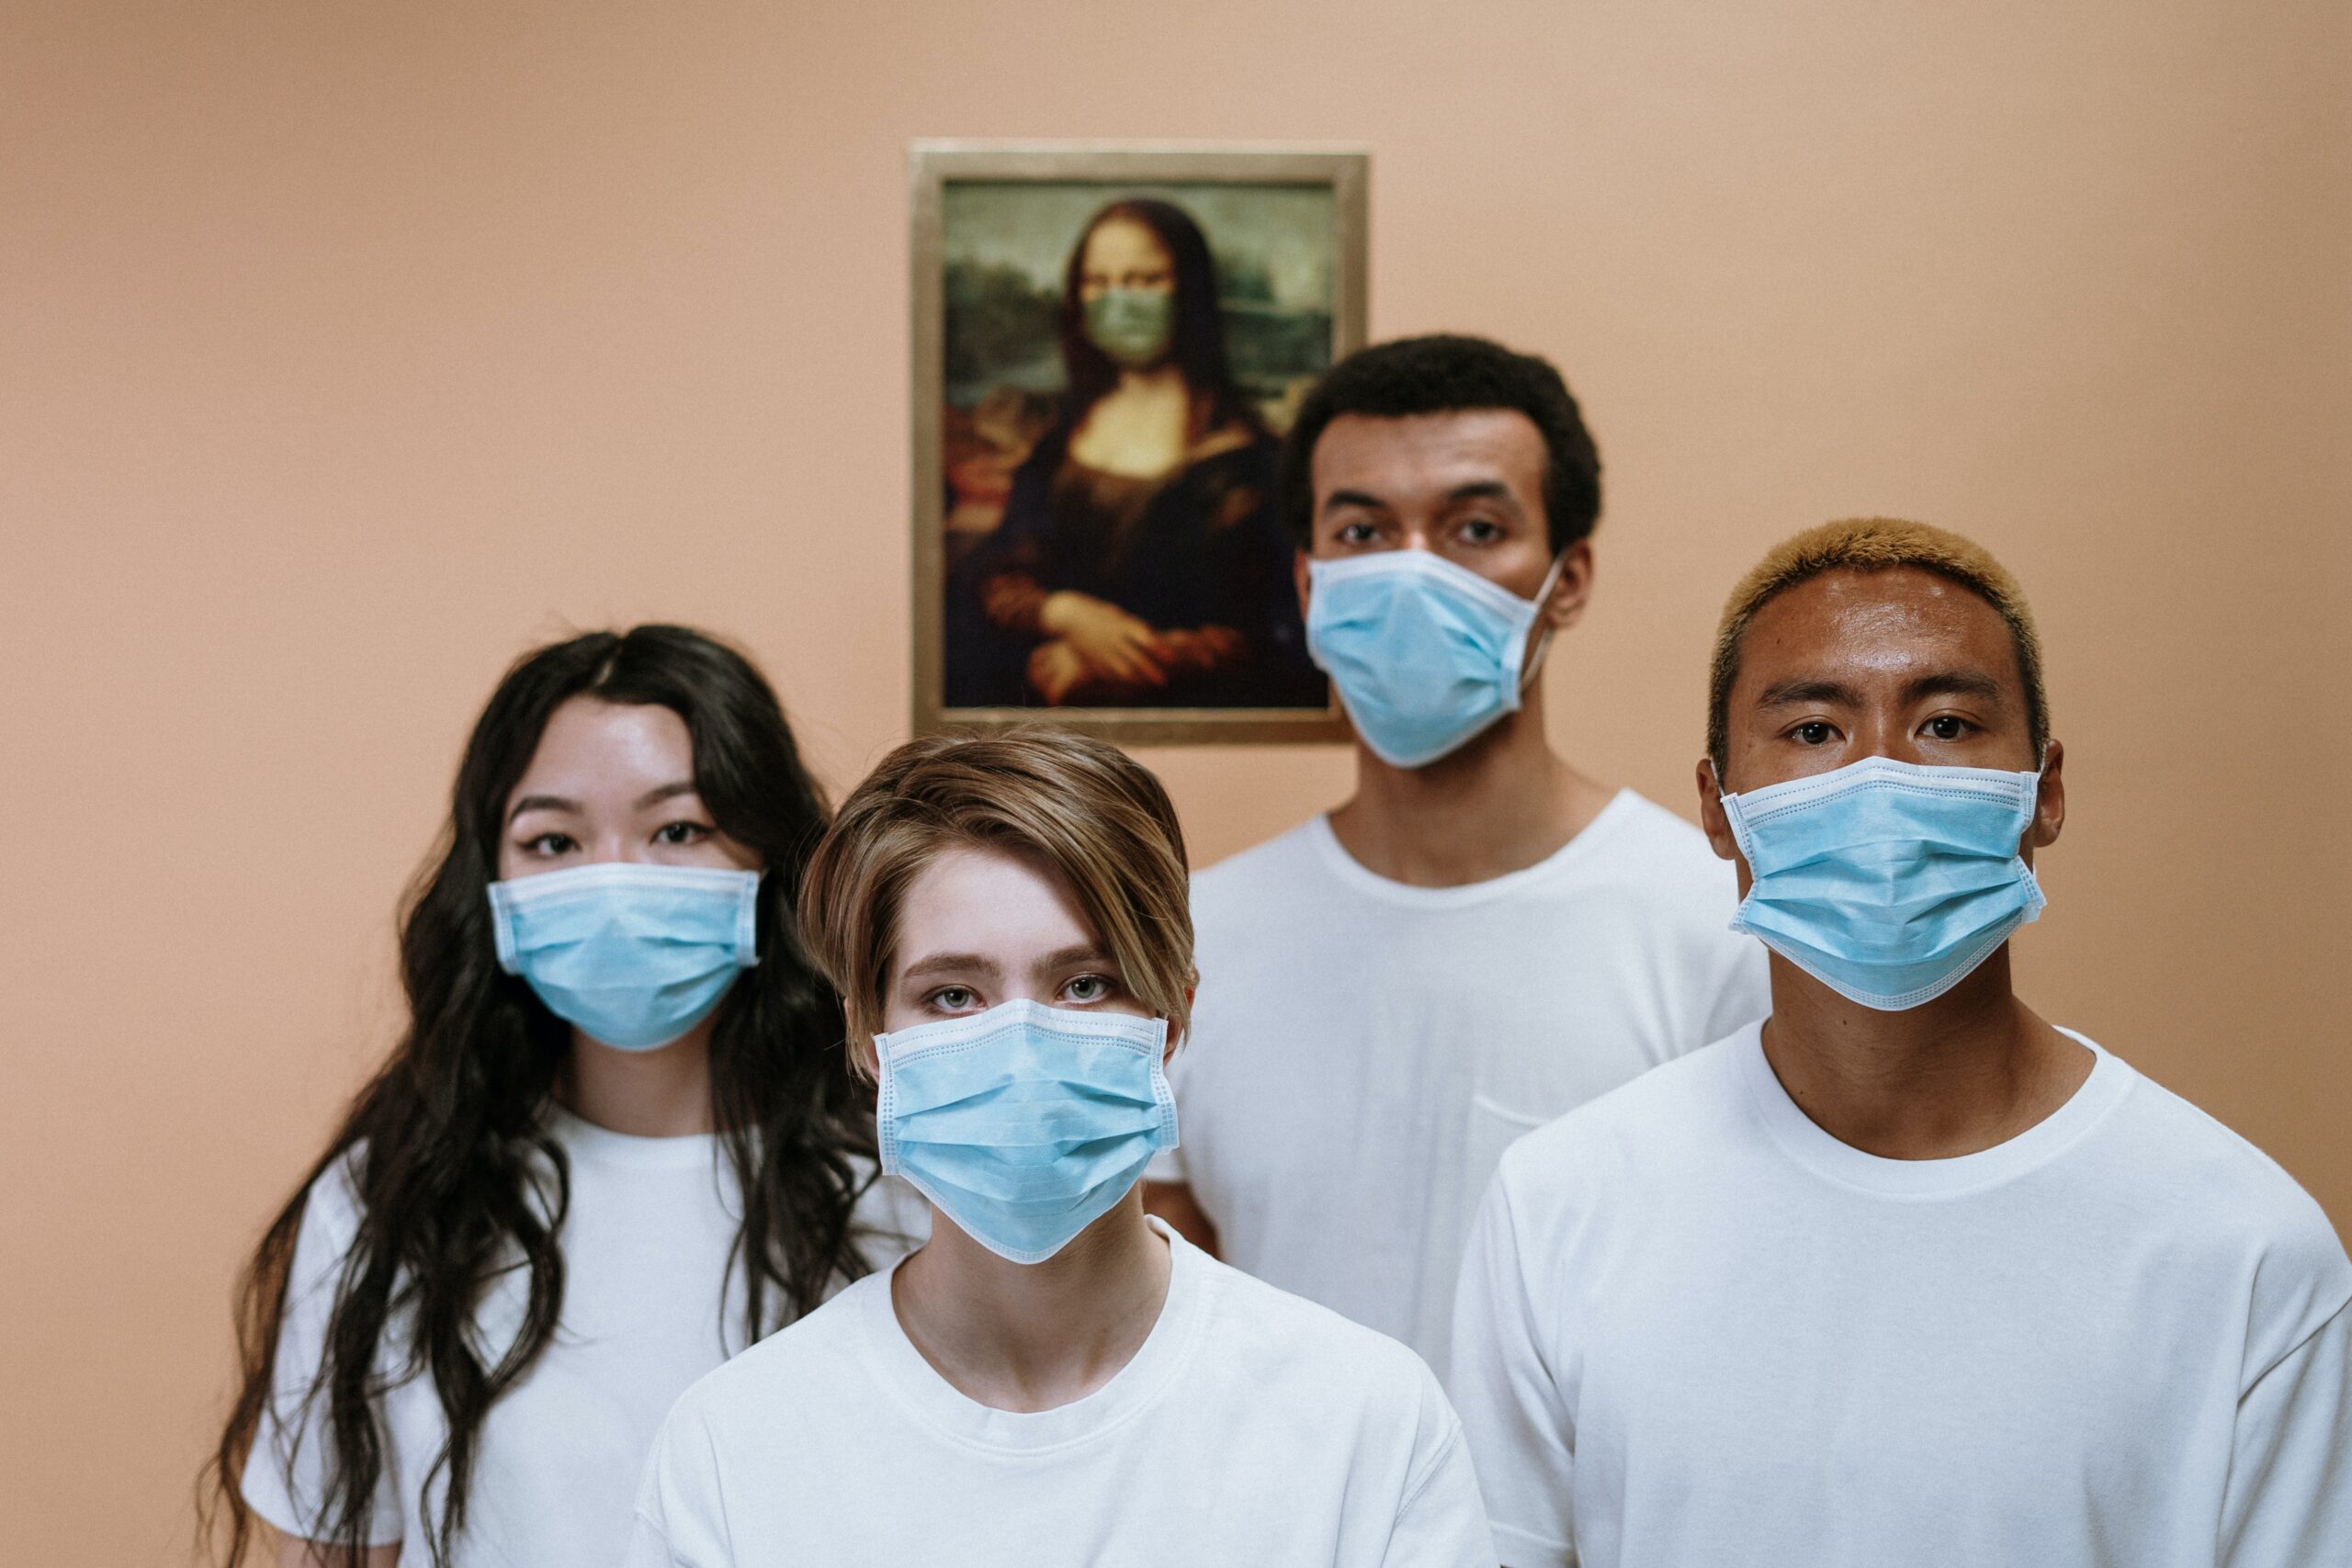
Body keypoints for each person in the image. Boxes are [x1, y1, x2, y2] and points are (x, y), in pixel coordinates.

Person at [1451, 518, 2352, 1567]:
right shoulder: (1562, 1207)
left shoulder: (2243, 1252)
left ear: (2044, 792)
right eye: (1815, 732)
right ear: (1717, 807)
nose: (1878, 784)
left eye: (1946, 725)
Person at [627, 731, 1494, 1567]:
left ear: (1172, 1017)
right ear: (866, 1037)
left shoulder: (1363, 1426)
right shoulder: (736, 1450)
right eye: (955, 995)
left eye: (1084, 985)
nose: (1022, 1043)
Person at [208, 626, 921, 1568]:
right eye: (553, 840)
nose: (613, 882)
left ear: (771, 865)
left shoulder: (908, 1182)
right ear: (490, 885)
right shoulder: (389, 1203)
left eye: (678, 830)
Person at [1142, 333, 1769, 1377]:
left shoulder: (1716, 929)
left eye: (1475, 528)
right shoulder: (1195, 940)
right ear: (1308, 584)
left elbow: (1754, 1307)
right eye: (1363, 530)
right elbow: (1171, 1318)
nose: (1414, 571)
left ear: (1566, 581)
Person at [944, 197, 1322, 709]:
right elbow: (996, 574)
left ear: (1188, 291)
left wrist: (1110, 660)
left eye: (1144, 281)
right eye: (1098, 282)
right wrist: (1064, 613)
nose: (1119, 300)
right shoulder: (1059, 440)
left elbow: (1274, 633)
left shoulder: (1251, 460)